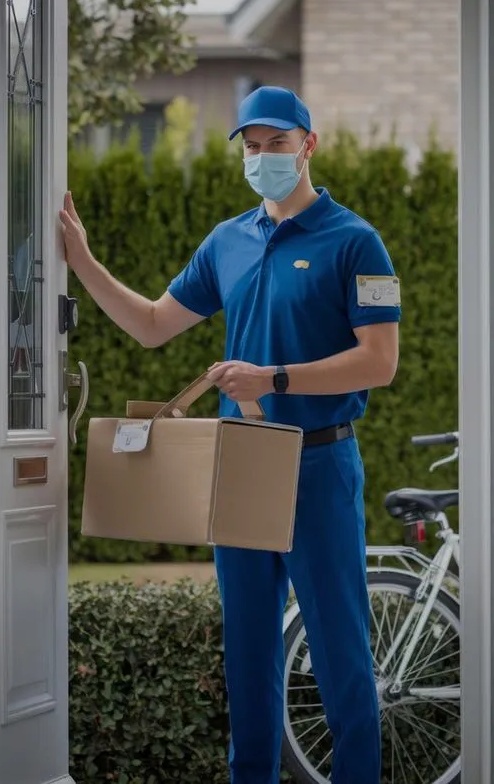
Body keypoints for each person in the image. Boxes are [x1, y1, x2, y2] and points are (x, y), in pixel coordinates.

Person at [60, 85, 400, 784]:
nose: (263, 156)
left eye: (276, 142)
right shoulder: (227, 241)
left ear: (308, 145)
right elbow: (154, 325)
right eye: (251, 146)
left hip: (319, 464)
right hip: (242, 464)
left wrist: (272, 378)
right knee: (248, 653)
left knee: (341, 654)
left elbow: (380, 361)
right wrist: (84, 263)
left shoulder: (357, 242)